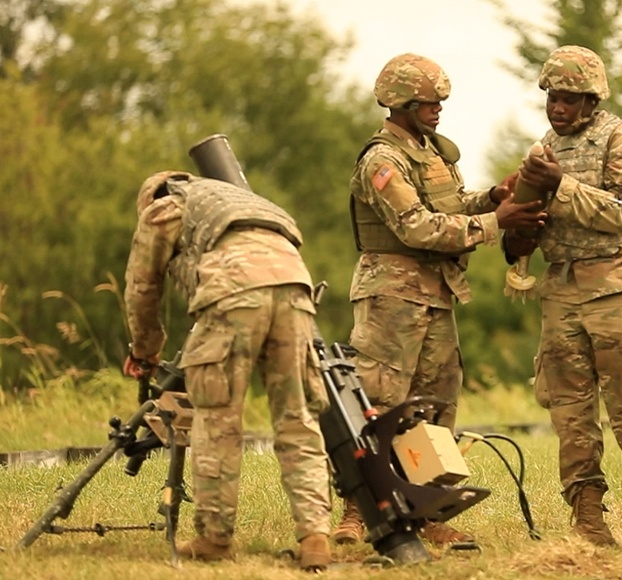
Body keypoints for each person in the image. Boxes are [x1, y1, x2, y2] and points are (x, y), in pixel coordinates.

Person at [334, 52, 546, 547]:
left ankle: (425, 511)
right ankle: (353, 511)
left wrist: (493, 197)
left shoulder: (431, 154)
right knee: (378, 404)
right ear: (399, 103)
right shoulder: (381, 162)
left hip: (436, 297)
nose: (437, 109)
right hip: (391, 297)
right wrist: (499, 223)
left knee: (434, 407)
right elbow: (417, 227)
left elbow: (449, 207)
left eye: (439, 101)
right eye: (427, 102)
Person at [503, 45, 622, 551]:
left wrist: (559, 186)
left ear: (591, 100)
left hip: (620, 287)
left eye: (567, 99)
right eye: (551, 98)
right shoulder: (544, 148)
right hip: (561, 289)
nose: (557, 108)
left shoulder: (621, 141)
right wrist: (517, 236)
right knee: (570, 410)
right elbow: (528, 220)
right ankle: (588, 519)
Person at [122, 171, 334, 570]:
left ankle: (215, 538)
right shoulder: (244, 202)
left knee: (218, 418)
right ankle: (315, 536)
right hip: (295, 288)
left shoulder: (164, 207)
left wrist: (145, 350)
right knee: (297, 418)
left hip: (233, 292)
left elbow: (142, 288)